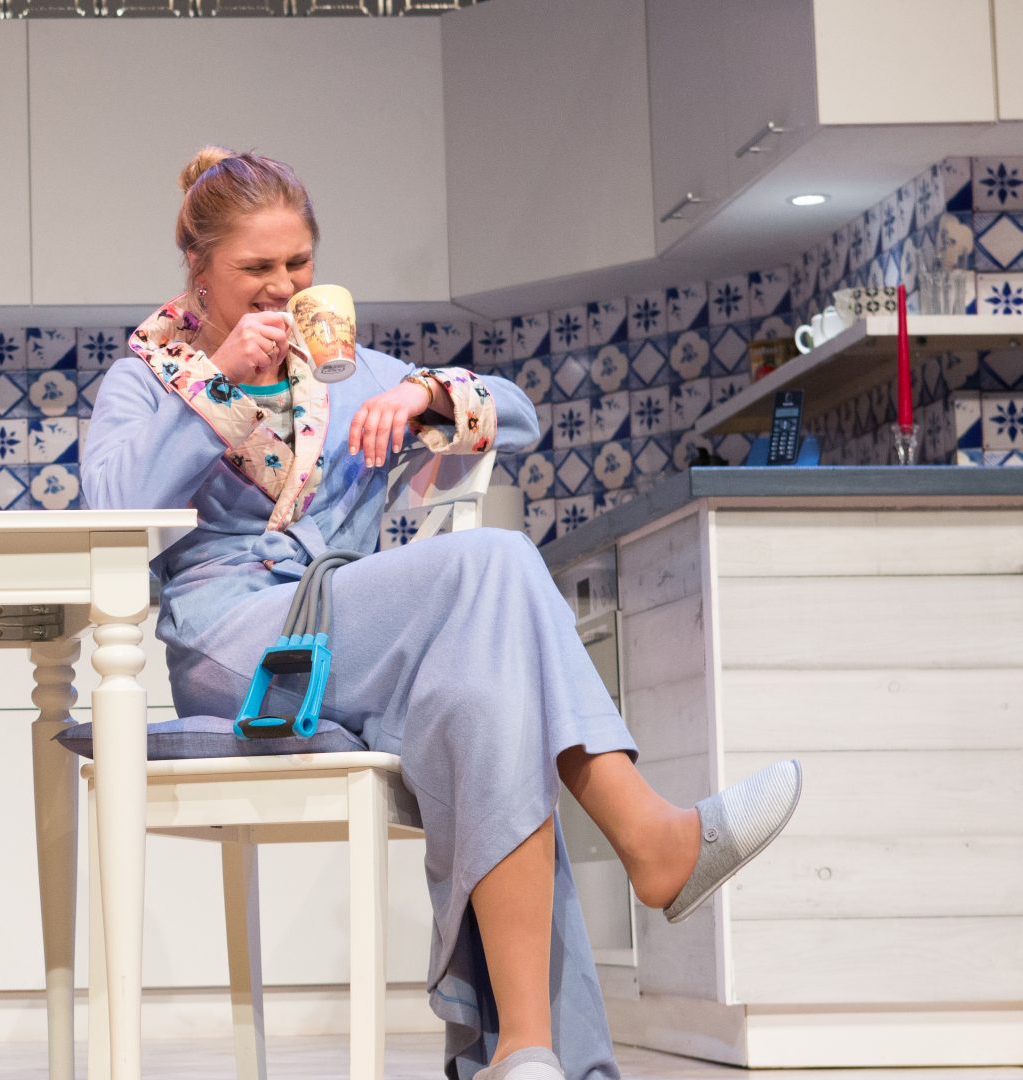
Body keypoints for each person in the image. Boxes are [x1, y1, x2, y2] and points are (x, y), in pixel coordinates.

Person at [81, 148, 802, 1080]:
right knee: (497, 560)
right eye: (256, 268)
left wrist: (425, 392)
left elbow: (519, 414)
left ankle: (527, 1051)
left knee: (487, 704)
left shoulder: (342, 369)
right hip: (238, 646)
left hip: (355, 640)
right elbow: (112, 507)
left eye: (299, 262)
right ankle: (647, 833)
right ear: (198, 268)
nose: (283, 286)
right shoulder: (148, 376)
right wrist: (215, 381)